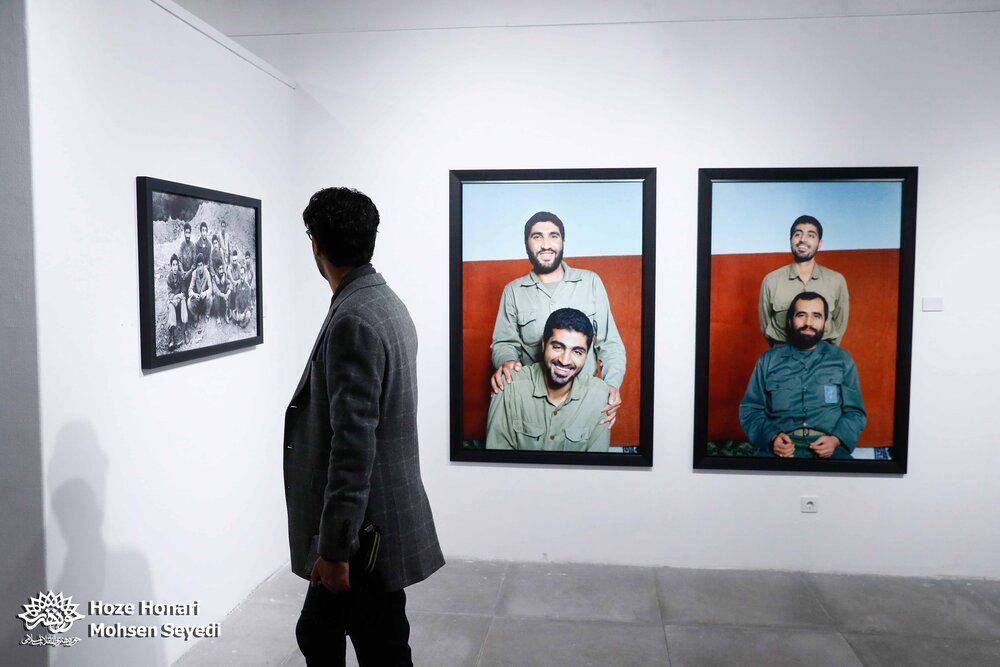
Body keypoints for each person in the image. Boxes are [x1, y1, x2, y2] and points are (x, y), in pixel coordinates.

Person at [285, 187, 444, 666]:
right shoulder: (385, 303)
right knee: (328, 635)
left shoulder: (355, 318)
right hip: (379, 518)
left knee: (378, 647)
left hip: (363, 533)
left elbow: (353, 448)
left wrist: (333, 551)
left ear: (317, 246)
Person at [490, 211, 625, 427]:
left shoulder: (590, 282)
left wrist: (611, 385)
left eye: (553, 236)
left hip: (583, 401)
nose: (546, 244)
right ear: (526, 244)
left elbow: (611, 344)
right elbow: (504, 343)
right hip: (529, 402)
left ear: (563, 241)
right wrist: (505, 361)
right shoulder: (513, 291)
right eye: (537, 237)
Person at [739, 292, 866, 459]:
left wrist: (835, 440)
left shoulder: (842, 359)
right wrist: (772, 438)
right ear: (790, 320)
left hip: (830, 450)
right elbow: (750, 410)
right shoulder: (768, 360)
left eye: (816, 316)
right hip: (779, 450)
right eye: (801, 315)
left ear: (825, 322)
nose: (808, 323)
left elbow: (855, 412)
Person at [486, 308, 611, 452]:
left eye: (577, 352)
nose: (565, 361)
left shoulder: (599, 396)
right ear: (544, 344)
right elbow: (497, 465)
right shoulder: (508, 385)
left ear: (586, 354)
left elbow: (595, 469)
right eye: (558, 347)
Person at [758, 215, 850, 346]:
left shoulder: (836, 281)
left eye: (811, 235)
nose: (803, 240)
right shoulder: (771, 281)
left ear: (820, 243)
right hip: (783, 359)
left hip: (823, 360)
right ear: (791, 240)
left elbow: (840, 325)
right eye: (797, 234)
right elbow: (766, 326)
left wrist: (827, 356)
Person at [165, 254, 188, 350]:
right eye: (173, 265)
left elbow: (183, 291)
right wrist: (174, 299)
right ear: (171, 266)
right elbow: (169, 294)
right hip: (173, 303)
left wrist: (178, 297)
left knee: (183, 301)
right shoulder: (169, 278)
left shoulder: (180, 276)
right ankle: (172, 336)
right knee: (170, 304)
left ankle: (185, 330)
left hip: (179, 301)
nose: (175, 267)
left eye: (176, 265)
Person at [186, 257, 212, 322]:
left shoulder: (207, 273)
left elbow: (210, 288)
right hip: (197, 298)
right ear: (196, 266)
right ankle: (195, 315)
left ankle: (207, 315)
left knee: (210, 298)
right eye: (198, 266)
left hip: (204, 298)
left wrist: (205, 293)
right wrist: (194, 294)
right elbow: (190, 289)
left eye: (201, 265)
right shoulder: (194, 273)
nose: (200, 268)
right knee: (189, 301)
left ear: (203, 265)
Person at [232, 264, 253, 328]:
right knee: (233, 313)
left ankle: (241, 322)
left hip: (245, 310)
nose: (241, 276)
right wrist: (238, 311)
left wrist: (244, 313)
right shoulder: (238, 286)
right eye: (240, 274)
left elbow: (249, 305)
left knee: (248, 315)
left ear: (245, 275)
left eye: (243, 274)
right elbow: (237, 301)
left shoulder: (248, 288)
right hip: (240, 309)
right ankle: (240, 320)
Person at [177, 223, 196, 291]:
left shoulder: (193, 246)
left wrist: (188, 273)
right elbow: (179, 260)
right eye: (186, 232)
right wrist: (182, 271)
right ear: (184, 233)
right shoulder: (182, 245)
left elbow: (194, 264)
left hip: (190, 274)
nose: (188, 235)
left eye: (189, 233)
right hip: (183, 274)